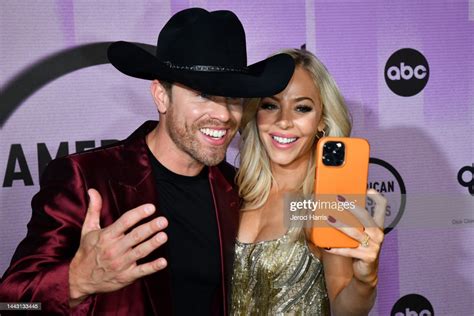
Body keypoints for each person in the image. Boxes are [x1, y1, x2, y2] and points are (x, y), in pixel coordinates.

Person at [0, 8, 294, 315]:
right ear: (161, 96)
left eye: (234, 98)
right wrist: (77, 280)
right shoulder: (86, 179)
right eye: (204, 94)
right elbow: (10, 304)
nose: (223, 115)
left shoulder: (238, 190)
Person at [231, 48, 386, 315]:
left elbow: (344, 309)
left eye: (301, 108)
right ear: (256, 114)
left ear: (321, 123)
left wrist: (365, 280)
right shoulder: (231, 190)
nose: (283, 122)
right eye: (271, 105)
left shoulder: (327, 200)